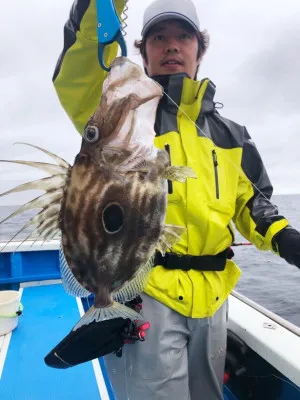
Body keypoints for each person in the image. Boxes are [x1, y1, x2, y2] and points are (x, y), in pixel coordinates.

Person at [52, 0, 300, 398]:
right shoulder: (123, 112)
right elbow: (76, 71)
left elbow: (253, 203)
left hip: (215, 298)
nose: (171, 46)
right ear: (143, 50)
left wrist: (286, 238)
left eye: (183, 37)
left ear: (199, 50)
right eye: (159, 38)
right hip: (147, 290)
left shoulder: (232, 134)